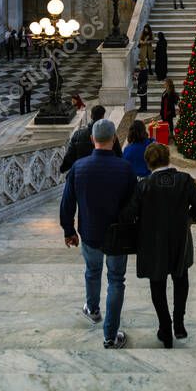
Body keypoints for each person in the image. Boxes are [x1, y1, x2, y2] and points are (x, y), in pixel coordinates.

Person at [60, 118, 137, 349]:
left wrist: (69, 231)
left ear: (93, 139)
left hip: (89, 233)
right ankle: (110, 336)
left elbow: (67, 203)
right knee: (116, 280)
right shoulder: (125, 168)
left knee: (92, 271)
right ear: (114, 139)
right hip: (117, 236)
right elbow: (134, 205)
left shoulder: (79, 167)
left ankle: (93, 310)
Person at [121, 142, 196, 347]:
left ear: (148, 163)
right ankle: (179, 323)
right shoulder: (184, 180)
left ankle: (165, 328)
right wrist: (190, 219)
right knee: (181, 279)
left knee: (157, 285)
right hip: (180, 240)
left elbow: (128, 215)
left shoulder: (144, 185)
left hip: (153, 244)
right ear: (168, 158)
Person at [60, 105, 122, 173]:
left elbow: (69, 157)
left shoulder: (78, 135)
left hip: (82, 172)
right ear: (103, 116)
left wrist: (63, 168)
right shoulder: (110, 135)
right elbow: (119, 155)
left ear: (91, 116)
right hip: (106, 171)